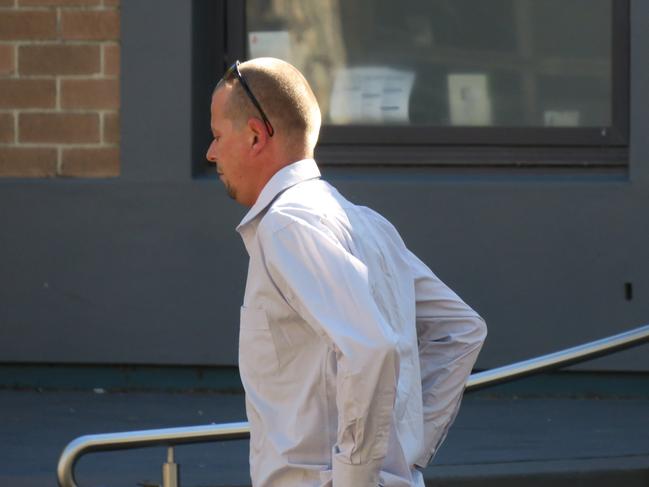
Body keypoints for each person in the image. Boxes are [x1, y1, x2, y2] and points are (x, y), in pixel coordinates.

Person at [206, 58, 487, 487]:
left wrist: (358, 478)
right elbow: (461, 330)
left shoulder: (287, 224)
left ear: (255, 135)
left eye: (216, 135)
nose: (210, 153)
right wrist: (403, 454)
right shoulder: (368, 223)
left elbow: (374, 348)